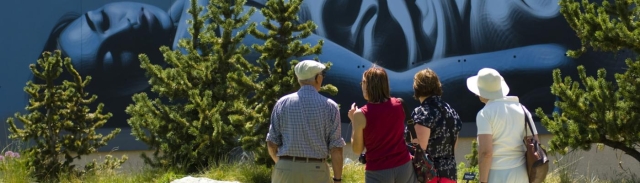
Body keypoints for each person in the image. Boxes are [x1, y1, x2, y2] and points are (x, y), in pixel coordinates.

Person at [266, 60, 346, 183]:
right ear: (318, 78)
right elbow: (336, 149)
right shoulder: (330, 106)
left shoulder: (282, 103)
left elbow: (271, 142)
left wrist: (282, 163)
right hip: (316, 170)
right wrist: (337, 180)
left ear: (299, 79)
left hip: (285, 168)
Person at [348, 66, 415, 183]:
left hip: (378, 170)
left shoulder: (361, 114)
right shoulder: (399, 104)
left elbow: (357, 149)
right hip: (404, 165)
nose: (361, 85)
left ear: (368, 85)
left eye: (363, 82)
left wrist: (354, 120)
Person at [466, 68, 533, 183]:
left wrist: (482, 181)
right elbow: (533, 141)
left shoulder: (484, 114)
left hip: (496, 174)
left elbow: (486, 153)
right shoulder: (522, 108)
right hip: (521, 173)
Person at [410, 68, 462, 183]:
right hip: (450, 173)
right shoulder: (450, 110)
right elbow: (453, 146)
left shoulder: (423, 112)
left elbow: (419, 149)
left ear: (417, 87)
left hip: (429, 176)